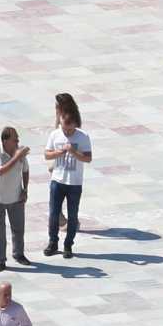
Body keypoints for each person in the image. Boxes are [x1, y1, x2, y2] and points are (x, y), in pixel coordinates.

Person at [43, 93, 92, 258]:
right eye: (64, 127)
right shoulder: (56, 134)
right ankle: (53, 242)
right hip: (58, 181)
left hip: (74, 183)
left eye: (69, 128)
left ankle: (68, 245)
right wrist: (59, 152)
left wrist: (73, 151)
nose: (66, 130)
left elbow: (88, 158)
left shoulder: (82, 136)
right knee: (53, 213)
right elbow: (47, 154)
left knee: (73, 215)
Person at [0, 126, 31, 271]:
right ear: (5, 141)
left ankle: (19, 254)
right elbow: (1, 171)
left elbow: (25, 171)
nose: (18, 141)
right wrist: (17, 156)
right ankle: (0, 260)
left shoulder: (19, 152)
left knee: (18, 229)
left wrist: (25, 189)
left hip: (16, 198)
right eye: (15, 139)